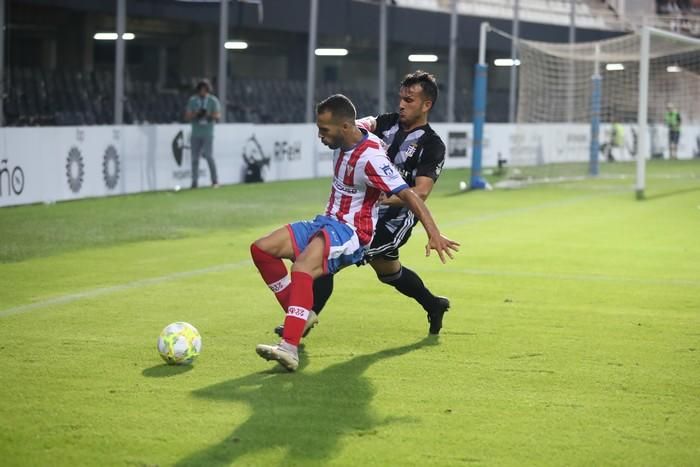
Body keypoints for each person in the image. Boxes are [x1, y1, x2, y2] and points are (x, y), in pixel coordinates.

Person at [250, 94, 459, 372]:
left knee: (306, 268)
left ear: (344, 128)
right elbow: (357, 121)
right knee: (262, 249)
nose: (320, 136)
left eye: (324, 131)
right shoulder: (354, 129)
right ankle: (300, 314)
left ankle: (289, 347)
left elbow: (411, 194)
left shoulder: (372, 159)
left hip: (352, 231)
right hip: (325, 221)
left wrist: (434, 233)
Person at [275, 70, 451, 339]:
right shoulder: (384, 123)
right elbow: (352, 126)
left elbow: (421, 191)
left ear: (426, 105)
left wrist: (386, 197)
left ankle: (302, 322)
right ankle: (433, 304)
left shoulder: (432, 144)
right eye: (401, 98)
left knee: (327, 255)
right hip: (362, 212)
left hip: (395, 218)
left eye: (410, 100)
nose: (402, 104)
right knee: (389, 272)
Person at [185, 79, 221, 188]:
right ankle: (194, 182)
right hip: (196, 133)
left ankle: (214, 180)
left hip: (207, 133)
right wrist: (196, 114)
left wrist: (209, 115)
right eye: (201, 89)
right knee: (194, 158)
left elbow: (218, 116)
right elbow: (187, 116)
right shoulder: (193, 101)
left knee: (209, 156)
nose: (203, 92)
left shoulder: (213, 100)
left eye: (205, 89)